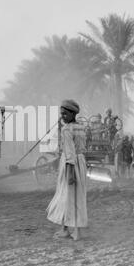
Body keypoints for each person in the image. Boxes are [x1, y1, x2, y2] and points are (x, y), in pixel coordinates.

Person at [47, 99, 87, 241]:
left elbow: (69, 153)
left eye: (65, 114)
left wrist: (70, 174)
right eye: (61, 114)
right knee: (78, 197)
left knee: (67, 196)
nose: (62, 116)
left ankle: (71, 231)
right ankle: (72, 230)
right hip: (80, 162)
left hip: (71, 165)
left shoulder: (67, 130)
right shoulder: (81, 127)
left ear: (72, 113)